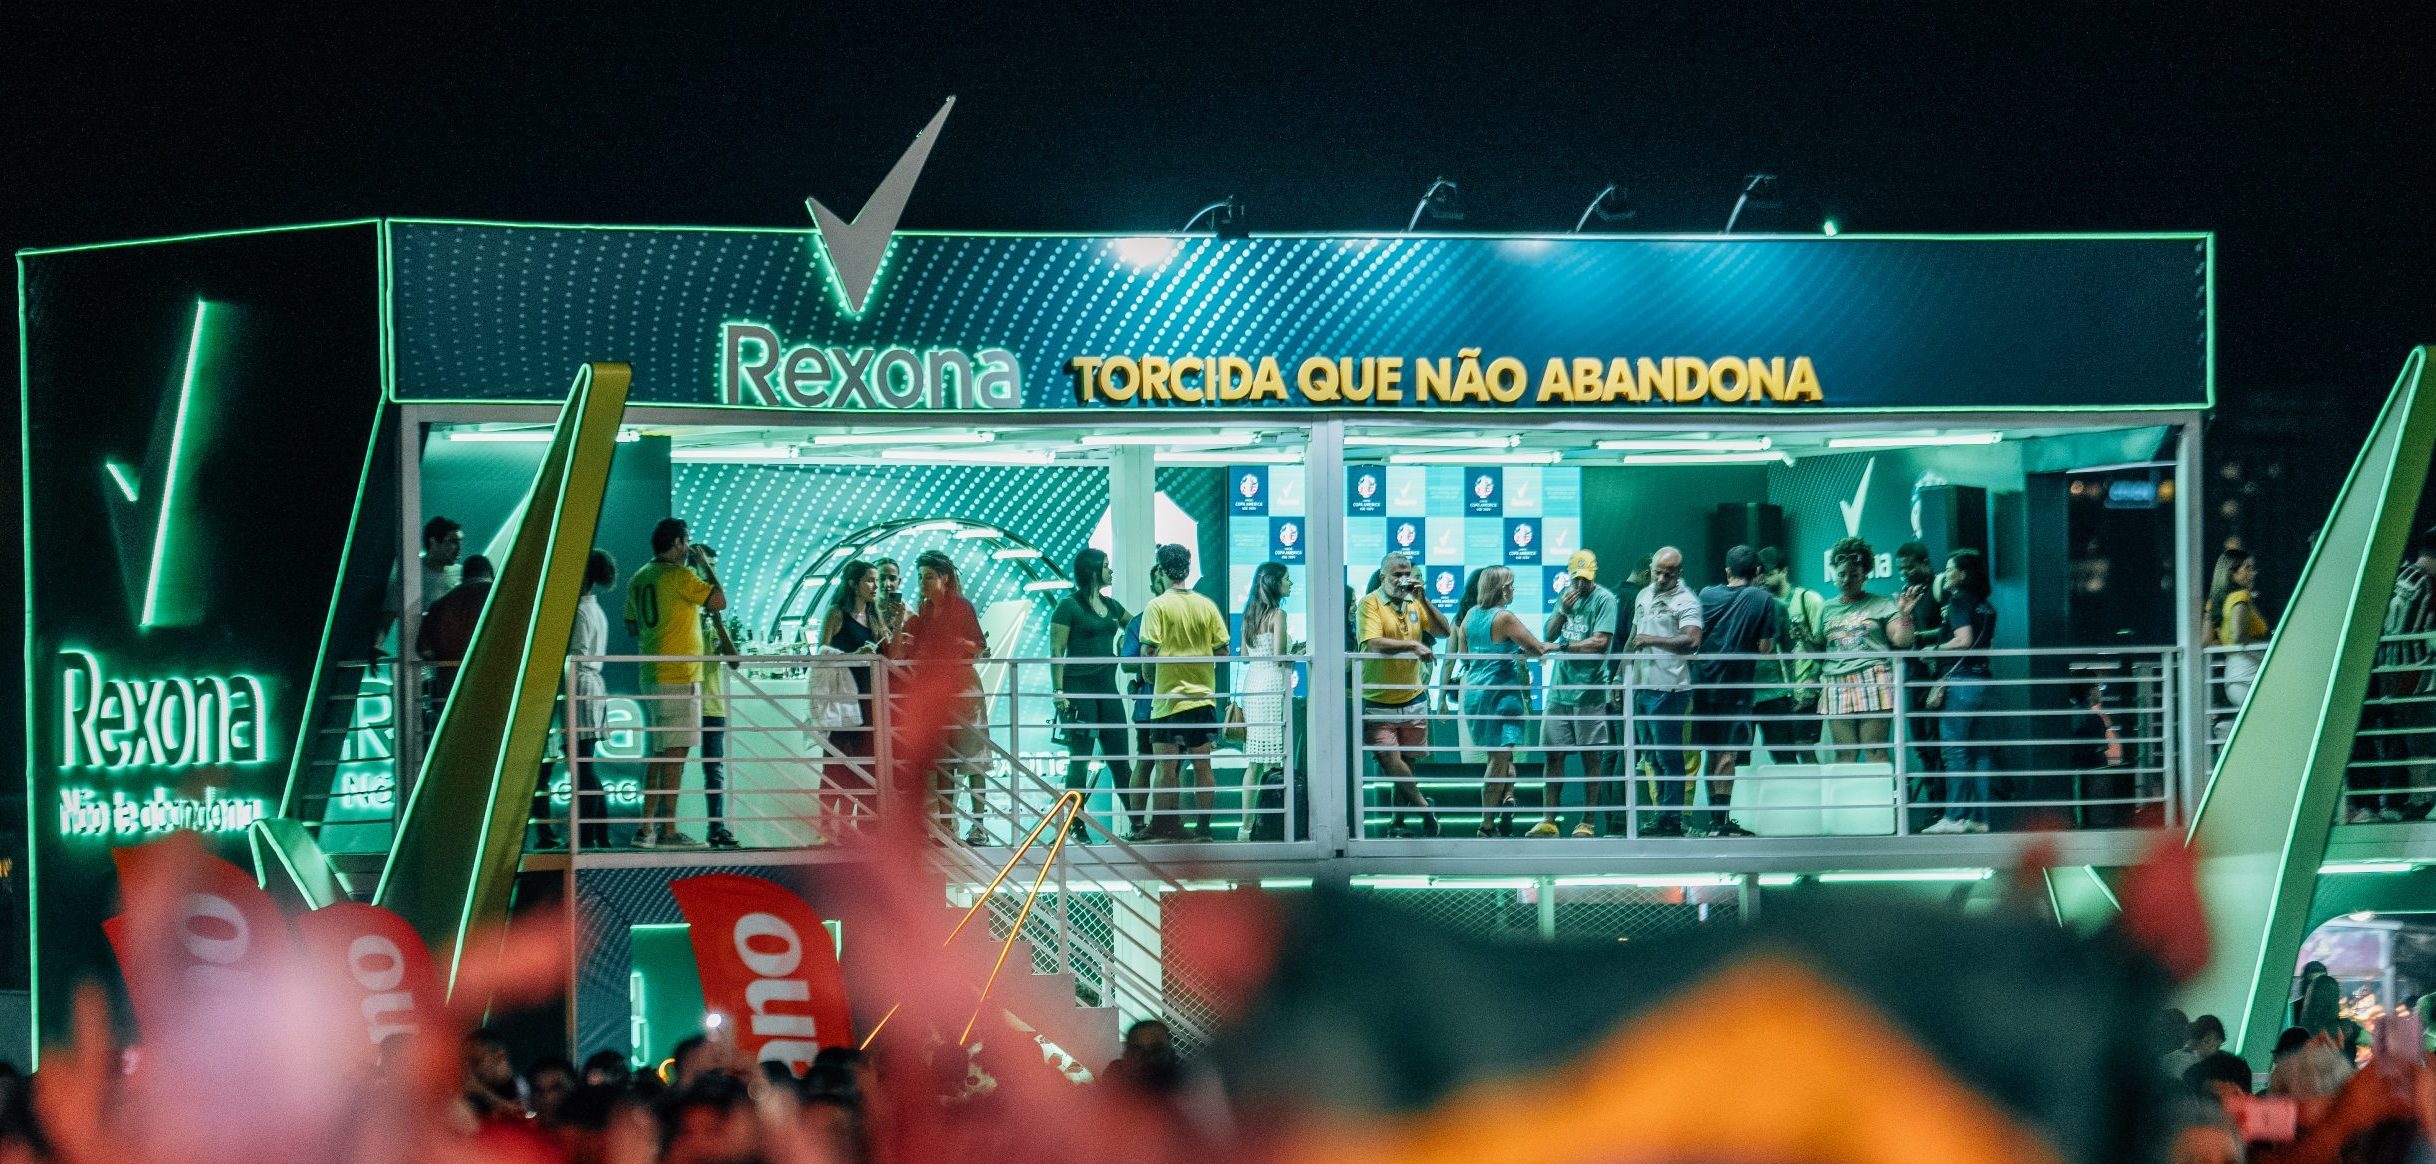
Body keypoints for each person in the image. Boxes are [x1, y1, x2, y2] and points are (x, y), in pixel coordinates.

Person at [626, 518, 726, 849]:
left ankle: (646, 827)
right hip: (679, 675)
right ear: (678, 543)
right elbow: (718, 600)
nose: (689, 548)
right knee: (676, 755)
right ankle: (667, 830)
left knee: (660, 751)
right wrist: (704, 567)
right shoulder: (680, 576)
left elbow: (632, 625)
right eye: (687, 542)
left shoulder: (639, 577)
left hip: (651, 675)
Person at [1139, 543, 1230, 841]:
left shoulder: (1157, 606)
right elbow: (1223, 651)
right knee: (1203, 765)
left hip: (1168, 700)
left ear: (1161, 570)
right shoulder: (1206, 605)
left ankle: (1162, 825)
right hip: (1202, 699)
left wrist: (1150, 678)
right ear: (1187, 569)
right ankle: (1204, 828)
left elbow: (1148, 652)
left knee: (1165, 769)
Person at [899, 550, 991, 844]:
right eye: (920, 578)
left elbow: (978, 645)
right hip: (937, 692)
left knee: (974, 757)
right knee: (942, 760)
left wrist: (954, 642)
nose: (923, 583)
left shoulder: (961, 607)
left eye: (928, 577)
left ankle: (978, 825)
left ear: (945, 578)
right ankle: (946, 824)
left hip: (964, 690)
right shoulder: (924, 611)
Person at [1357, 552, 1451, 838]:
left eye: (1406, 573)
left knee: (1408, 762)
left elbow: (1444, 631)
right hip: (1378, 698)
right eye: (1396, 575)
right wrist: (1412, 646)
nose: (1403, 580)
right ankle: (1424, 808)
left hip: (1413, 696)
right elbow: (1373, 643)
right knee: (1389, 759)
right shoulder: (1369, 603)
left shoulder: (1414, 602)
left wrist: (1424, 600)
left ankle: (1398, 821)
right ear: (1382, 576)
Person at [1455, 566, 1549, 836]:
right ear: (1502, 589)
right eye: (1511, 585)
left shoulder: (1470, 615)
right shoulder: (1505, 617)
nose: (1513, 590)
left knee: (1500, 756)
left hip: (1475, 694)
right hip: (1501, 695)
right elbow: (1537, 648)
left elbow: (1464, 656)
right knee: (1499, 760)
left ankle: (1505, 801)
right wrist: (1560, 646)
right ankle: (1486, 823)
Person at [1532, 550, 1619, 838]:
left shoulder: (1605, 599)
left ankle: (1588, 821)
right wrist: (1562, 611)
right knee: (1553, 754)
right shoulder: (1565, 597)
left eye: (1586, 579)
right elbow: (1548, 634)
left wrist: (1564, 647)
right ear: (1570, 576)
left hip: (1589, 691)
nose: (1581, 584)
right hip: (1560, 689)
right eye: (1576, 579)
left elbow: (1600, 642)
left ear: (1594, 574)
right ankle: (1548, 820)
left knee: (1591, 758)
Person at [536, 549, 616, 851]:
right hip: (591, 686)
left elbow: (578, 653)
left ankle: (585, 837)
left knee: (581, 767)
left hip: (580, 687)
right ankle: (599, 835)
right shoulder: (595, 610)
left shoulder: (580, 613)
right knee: (585, 766)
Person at [1051, 549, 1134, 841]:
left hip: (1108, 689)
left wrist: (1127, 645)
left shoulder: (1111, 605)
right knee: (1080, 759)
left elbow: (1137, 627)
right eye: (1106, 566)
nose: (1111, 571)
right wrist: (1059, 691)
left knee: (1120, 759)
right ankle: (1075, 824)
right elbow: (1057, 650)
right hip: (1078, 690)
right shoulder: (1068, 606)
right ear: (1093, 570)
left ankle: (1138, 824)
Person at [1692, 545, 1775, 838]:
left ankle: (1715, 821)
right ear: (1758, 571)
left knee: (1711, 752)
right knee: (1728, 753)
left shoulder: (1705, 594)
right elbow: (1765, 649)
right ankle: (1722, 821)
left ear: (1727, 571)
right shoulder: (1763, 598)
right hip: (1736, 686)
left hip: (1703, 683)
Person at [1818, 536, 1923, 765]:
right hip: (1835, 680)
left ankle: (1883, 791)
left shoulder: (1881, 604)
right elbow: (1817, 646)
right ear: (1834, 572)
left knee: (1875, 752)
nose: (1846, 580)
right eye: (1841, 574)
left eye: (1853, 575)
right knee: (1844, 755)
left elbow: (1902, 640)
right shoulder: (1826, 608)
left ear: (1864, 575)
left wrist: (1905, 615)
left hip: (1872, 677)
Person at [1921, 549, 1999, 834]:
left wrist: (1934, 650)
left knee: (1954, 750)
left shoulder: (1957, 602)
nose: (1944, 574)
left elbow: (1963, 640)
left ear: (1962, 574)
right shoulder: (1986, 606)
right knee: (1981, 753)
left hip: (1960, 682)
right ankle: (1981, 818)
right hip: (1983, 682)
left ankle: (1954, 817)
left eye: (1949, 569)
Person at [1627, 547, 1704, 837]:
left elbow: (1693, 640)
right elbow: (1634, 638)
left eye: (1667, 574)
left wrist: (1652, 640)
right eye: (1657, 572)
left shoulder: (1687, 600)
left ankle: (1672, 817)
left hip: (1669, 688)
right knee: (1651, 757)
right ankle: (1662, 815)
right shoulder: (1643, 594)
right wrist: (1620, 677)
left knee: (1669, 756)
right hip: (1641, 686)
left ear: (1679, 573)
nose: (1661, 578)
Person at [2363, 528, 2436, 821]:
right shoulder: (2428, 585)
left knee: (2396, 739)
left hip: (2386, 671)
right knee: (2419, 738)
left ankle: (2394, 802)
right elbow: (2423, 635)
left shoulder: (2401, 576)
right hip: (2412, 675)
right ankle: (2417, 800)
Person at [818, 559, 884, 830]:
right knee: (836, 762)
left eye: (876, 580)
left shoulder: (874, 616)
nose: (875, 586)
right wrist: (855, 655)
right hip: (843, 698)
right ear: (854, 584)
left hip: (868, 697)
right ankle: (826, 824)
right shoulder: (837, 614)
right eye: (870, 580)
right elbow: (821, 654)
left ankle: (849, 824)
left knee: (861, 763)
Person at [1236, 561, 1296, 841]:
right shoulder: (1278, 614)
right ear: (1274, 583)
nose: (1290, 584)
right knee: (1277, 759)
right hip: (1273, 684)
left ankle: (1245, 826)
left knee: (1254, 763)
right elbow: (1279, 654)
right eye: (1287, 579)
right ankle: (1274, 824)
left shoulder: (1249, 614)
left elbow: (1245, 656)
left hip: (1253, 685)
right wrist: (1297, 651)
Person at [1753, 546, 1826, 764]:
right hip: (1780, 693)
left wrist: (1811, 683)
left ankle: (1814, 788)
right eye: (1760, 574)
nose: (1763, 578)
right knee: (1784, 750)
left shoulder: (1808, 599)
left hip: (1805, 687)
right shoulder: (1763, 605)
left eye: (1769, 573)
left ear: (1784, 571)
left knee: (1803, 746)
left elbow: (1823, 645)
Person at [693, 543, 741, 850]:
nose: (710, 573)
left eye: (713, 566)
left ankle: (717, 828)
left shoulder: (714, 615)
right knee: (671, 761)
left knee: (714, 769)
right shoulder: (686, 610)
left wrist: (718, 622)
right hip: (686, 697)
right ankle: (661, 826)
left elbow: (734, 660)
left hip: (711, 702)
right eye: (704, 566)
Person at [1895, 541, 1948, 783]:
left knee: (1936, 740)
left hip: (1936, 674)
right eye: (1901, 569)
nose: (1904, 573)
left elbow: (1951, 630)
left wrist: (1917, 637)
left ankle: (1943, 799)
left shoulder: (1939, 586)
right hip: (1912, 674)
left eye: (1909, 567)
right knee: (1918, 740)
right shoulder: (1906, 593)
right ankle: (1933, 796)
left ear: (1925, 562)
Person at [416, 553, 494, 717]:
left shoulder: (439, 605)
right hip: (494, 686)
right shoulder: (501, 598)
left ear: (463, 576)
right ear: (490, 573)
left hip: (450, 689)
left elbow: (422, 649)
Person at [2207, 548, 2270, 723]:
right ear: (2232, 572)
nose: (2253, 573)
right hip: (2250, 671)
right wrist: (2268, 650)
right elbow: (2239, 636)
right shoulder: (2241, 598)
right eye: (2247, 568)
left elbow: (2206, 640)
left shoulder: (2215, 602)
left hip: (2232, 673)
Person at [460, 1028, 522, 1123]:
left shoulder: (523, 1085)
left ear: (500, 1056)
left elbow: (521, 1113)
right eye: (465, 1063)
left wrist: (482, 1091)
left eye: (476, 1061)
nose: (470, 1070)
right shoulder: (478, 1089)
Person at [1102, 1019, 1179, 1094]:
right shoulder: (1115, 1074)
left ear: (1171, 1052)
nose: (1148, 1056)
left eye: (1156, 1049)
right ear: (1127, 1054)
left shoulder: (1181, 1082)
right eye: (1137, 1049)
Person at [2164, 1014, 2228, 1079]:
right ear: (2206, 1040)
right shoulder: (2189, 1064)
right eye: (2217, 1047)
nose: (2216, 1052)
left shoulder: (2172, 1056)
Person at [2293, 960, 2345, 1041]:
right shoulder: (2291, 1010)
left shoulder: (2334, 1009)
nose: (2317, 989)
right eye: (2312, 983)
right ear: (2304, 985)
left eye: (2321, 984)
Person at [525, 1055, 578, 1125]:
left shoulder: (587, 1130)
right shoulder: (522, 1129)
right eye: (539, 1090)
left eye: (556, 1089)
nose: (547, 1098)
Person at [873, 557, 910, 647]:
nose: (887, 584)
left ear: (899, 582)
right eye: (881, 578)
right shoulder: (862, 608)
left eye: (892, 578)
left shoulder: (909, 615)